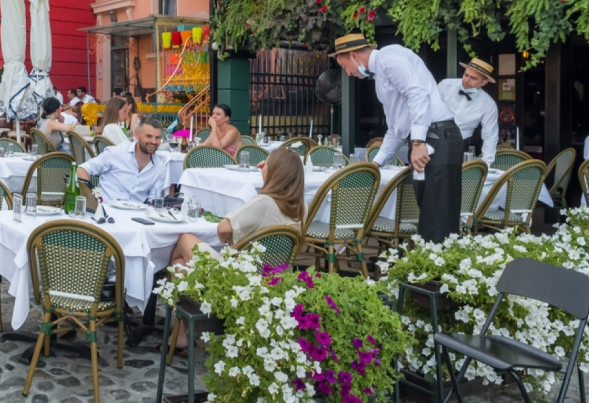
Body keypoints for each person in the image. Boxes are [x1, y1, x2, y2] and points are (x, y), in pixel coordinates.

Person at [167, 146, 305, 348]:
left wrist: (231, 240)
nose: (262, 166)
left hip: (236, 280)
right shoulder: (302, 207)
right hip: (271, 282)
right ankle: (179, 336)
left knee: (184, 240)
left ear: (276, 172)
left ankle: (180, 331)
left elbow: (222, 229)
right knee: (179, 266)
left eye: (267, 163)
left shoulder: (264, 202)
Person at [332, 33, 460, 243]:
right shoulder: (379, 77)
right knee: (429, 216)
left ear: (354, 56)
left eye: (345, 66)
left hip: (437, 135)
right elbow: (396, 128)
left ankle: (438, 270)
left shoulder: (389, 56)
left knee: (437, 220)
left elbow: (417, 94)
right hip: (429, 137)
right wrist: (376, 163)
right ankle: (433, 268)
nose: (348, 73)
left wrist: (417, 143)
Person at [78, 117, 167, 202]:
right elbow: (82, 169)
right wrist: (92, 197)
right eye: (149, 136)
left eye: (157, 138)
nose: (154, 142)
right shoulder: (116, 153)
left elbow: (154, 201)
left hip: (135, 215)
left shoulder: (160, 168)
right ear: (137, 134)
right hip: (105, 211)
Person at [438, 58, 499, 166]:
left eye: (473, 78)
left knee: (454, 180)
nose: (466, 80)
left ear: (484, 82)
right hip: (434, 139)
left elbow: (490, 136)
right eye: (466, 75)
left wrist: (486, 164)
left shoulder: (488, 104)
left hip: (459, 145)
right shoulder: (445, 85)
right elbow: (429, 112)